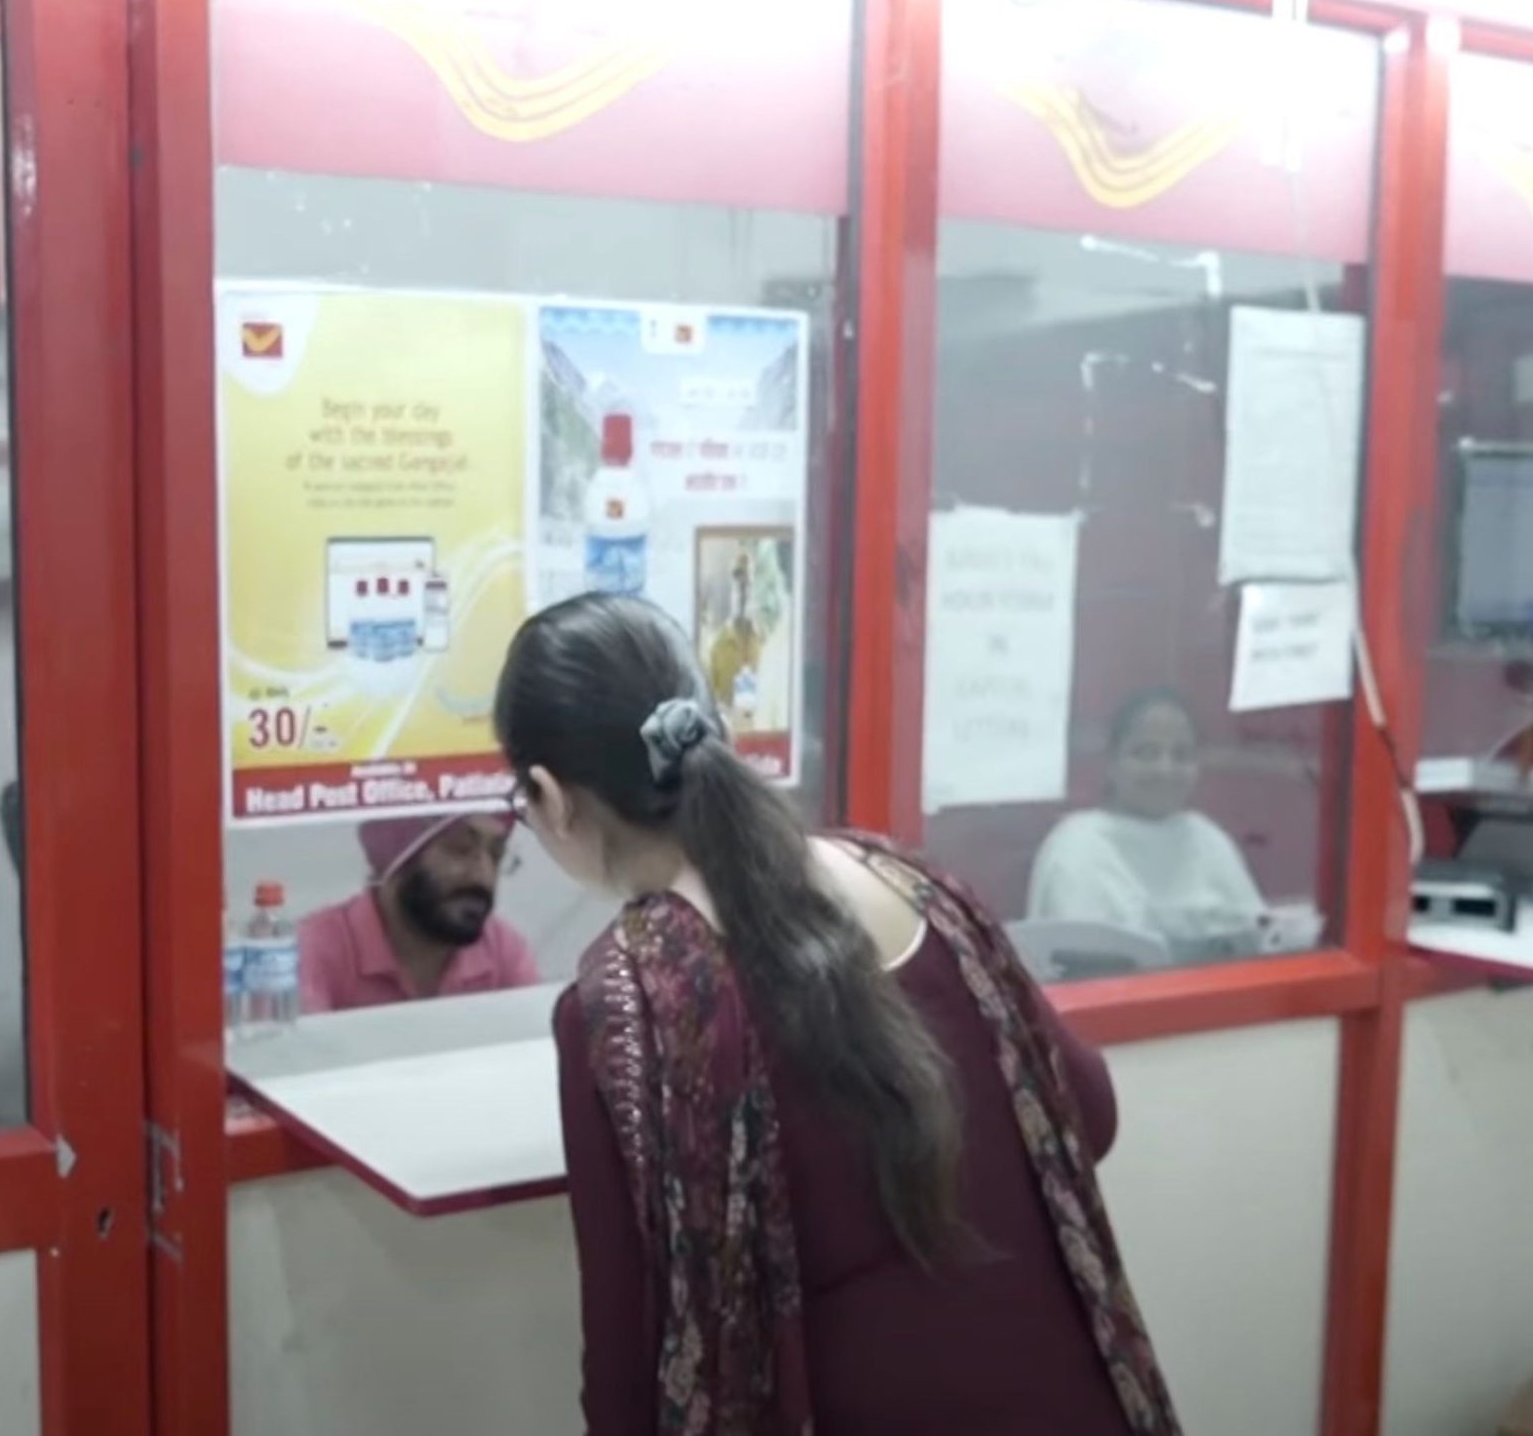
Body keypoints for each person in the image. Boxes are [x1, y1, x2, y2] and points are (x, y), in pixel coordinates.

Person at [497, 594, 1174, 1435]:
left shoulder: (630, 1001)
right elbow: (1088, 1111)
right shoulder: (907, 881)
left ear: (549, 796)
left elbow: (629, 1359)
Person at [1027, 688, 1266, 956]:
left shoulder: (1208, 840)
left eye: (1181, 754)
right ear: (1111, 762)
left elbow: (1262, 945)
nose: (1164, 769)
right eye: (1145, 752)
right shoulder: (1077, 846)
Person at [297, 812, 542, 1014]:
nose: (483, 876)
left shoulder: (502, 949)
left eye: (496, 854)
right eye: (460, 848)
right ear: (396, 858)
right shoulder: (315, 951)